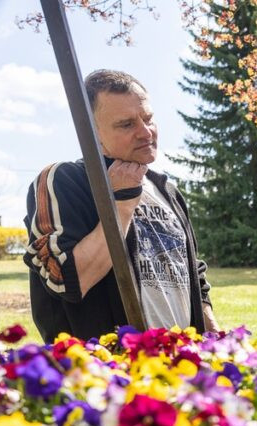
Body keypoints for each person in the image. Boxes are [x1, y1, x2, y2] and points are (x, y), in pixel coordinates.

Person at [23, 69, 216, 344]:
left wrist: (216, 340)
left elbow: (193, 277)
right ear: (92, 133)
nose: (145, 132)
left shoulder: (167, 191)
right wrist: (121, 203)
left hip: (180, 368)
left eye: (148, 118)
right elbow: (64, 278)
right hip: (107, 373)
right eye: (126, 124)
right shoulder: (65, 180)